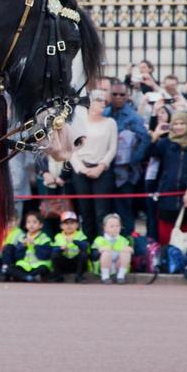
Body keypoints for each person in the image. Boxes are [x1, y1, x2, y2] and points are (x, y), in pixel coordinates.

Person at [148, 111, 187, 246]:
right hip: (167, 197)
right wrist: (155, 136)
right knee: (166, 236)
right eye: (176, 124)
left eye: (182, 124)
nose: (179, 127)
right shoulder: (165, 143)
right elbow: (149, 153)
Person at [66, 89, 118, 241]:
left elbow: (112, 148)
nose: (103, 103)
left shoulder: (110, 123)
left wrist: (101, 167)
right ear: (90, 103)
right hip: (81, 171)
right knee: (85, 211)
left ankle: (102, 245)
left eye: (104, 100)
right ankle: (88, 246)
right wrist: (82, 168)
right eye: (99, 100)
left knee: (102, 212)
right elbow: (71, 148)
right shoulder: (78, 123)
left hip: (102, 171)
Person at [104, 83, 151, 234]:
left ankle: (127, 243)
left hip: (125, 173)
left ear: (127, 96)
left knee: (124, 209)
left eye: (122, 95)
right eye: (115, 94)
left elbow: (145, 139)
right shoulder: (104, 113)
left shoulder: (133, 117)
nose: (118, 97)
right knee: (106, 209)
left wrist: (133, 160)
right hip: (105, 168)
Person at [3, 212, 54, 282]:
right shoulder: (22, 237)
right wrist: (22, 246)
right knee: (10, 269)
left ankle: (26, 277)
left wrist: (35, 245)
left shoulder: (44, 238)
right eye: (28, 222)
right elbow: (18, 257)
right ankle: (29, 277)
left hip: (39, 265)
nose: (31, 225)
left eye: (34, 222)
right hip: (25, 266)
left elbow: (45, 255)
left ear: (41, 225)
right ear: (25, 225)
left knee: (43, 269)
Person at [92, 213, 133, 284]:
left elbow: (130, 251)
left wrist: (130, 249)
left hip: (117, 265)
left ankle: (120, 276)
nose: (115, 228)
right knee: (106, 252)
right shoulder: (99, 239)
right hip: (103, 266)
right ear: (105, 228)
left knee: (126, 251)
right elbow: (93, 256)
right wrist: (100, 250)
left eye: (117, 226)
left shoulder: (123, 240)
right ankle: (105, 277)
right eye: (112, 226)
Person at [52, 210, 90, 283]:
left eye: (72, 223)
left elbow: (85, 246)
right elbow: (53, 251)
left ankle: (79, 277)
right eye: (66, 223)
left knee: (83, 254)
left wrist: (74, 241)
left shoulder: (80, 235)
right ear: (61, 226)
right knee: (55, 255)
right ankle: (58, 276)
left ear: (77, 225)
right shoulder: (58, 236)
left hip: (77, 263)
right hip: (65, 263)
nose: (69, 226)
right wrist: (60, 249)